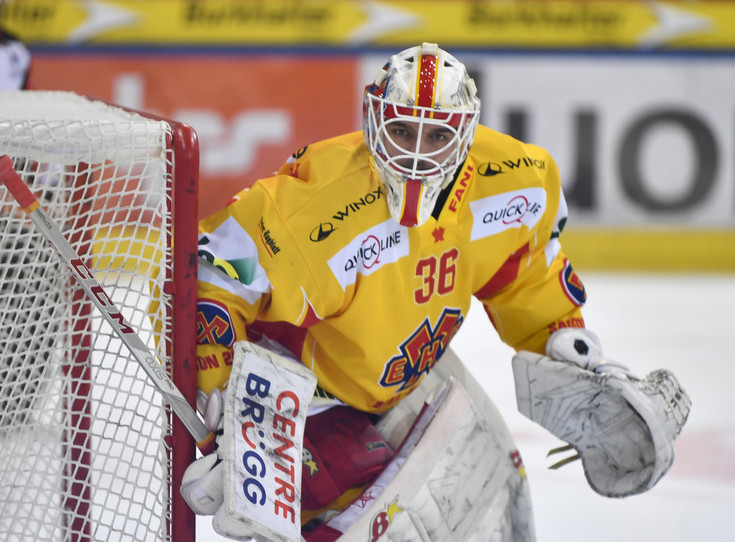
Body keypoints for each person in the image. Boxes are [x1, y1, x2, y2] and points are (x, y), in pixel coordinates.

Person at [181, 43, 690, 541]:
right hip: (300, 391)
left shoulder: (513, 180)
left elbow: (525, 269)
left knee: (482, 505)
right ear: (374, 122)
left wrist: (562, 341)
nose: (417, 154)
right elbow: (214, 278)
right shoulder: (314, 206)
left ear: (466, 133)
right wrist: (234, 412)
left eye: (438, 135)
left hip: (402, 378)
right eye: (402, 130)